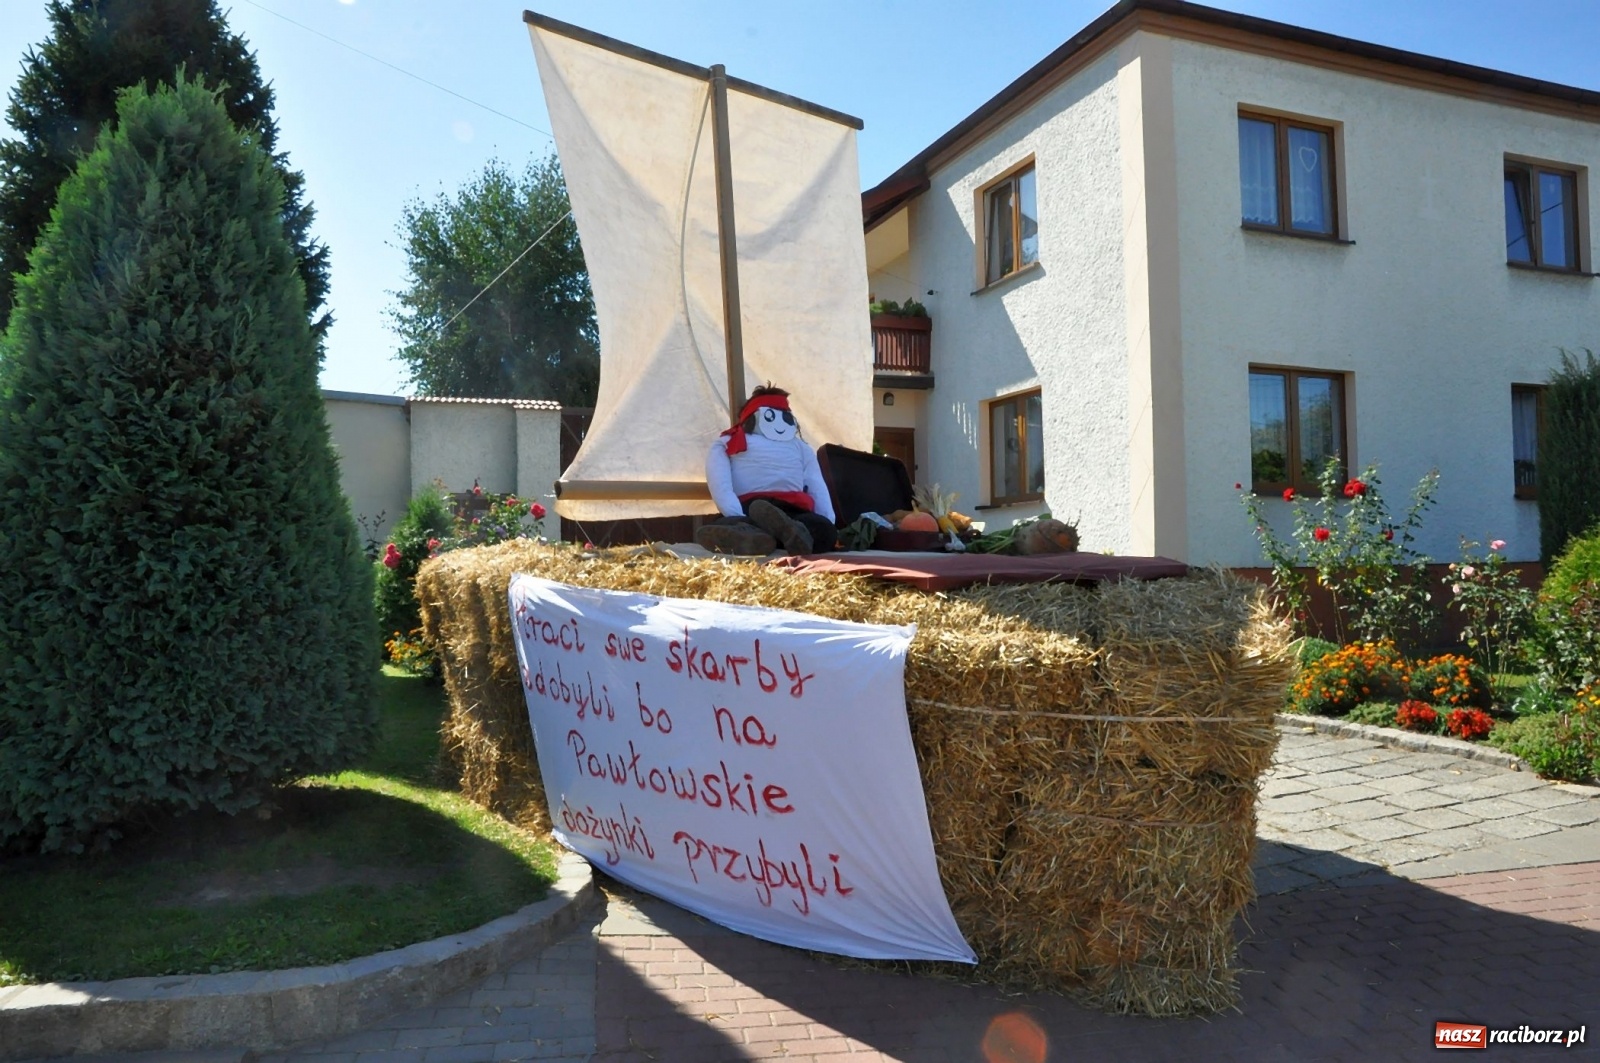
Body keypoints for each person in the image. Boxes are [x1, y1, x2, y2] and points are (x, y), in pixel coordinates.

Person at [695, 385, 837, 556]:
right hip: (751, 508)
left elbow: (816, 483)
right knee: (728, 522)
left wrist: (828, 521)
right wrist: (735, 513)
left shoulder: (801, 448)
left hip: (791, 511)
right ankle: (782, 535)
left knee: (824, 530)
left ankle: (764, 537)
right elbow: (720, 482)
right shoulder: (729, 441)